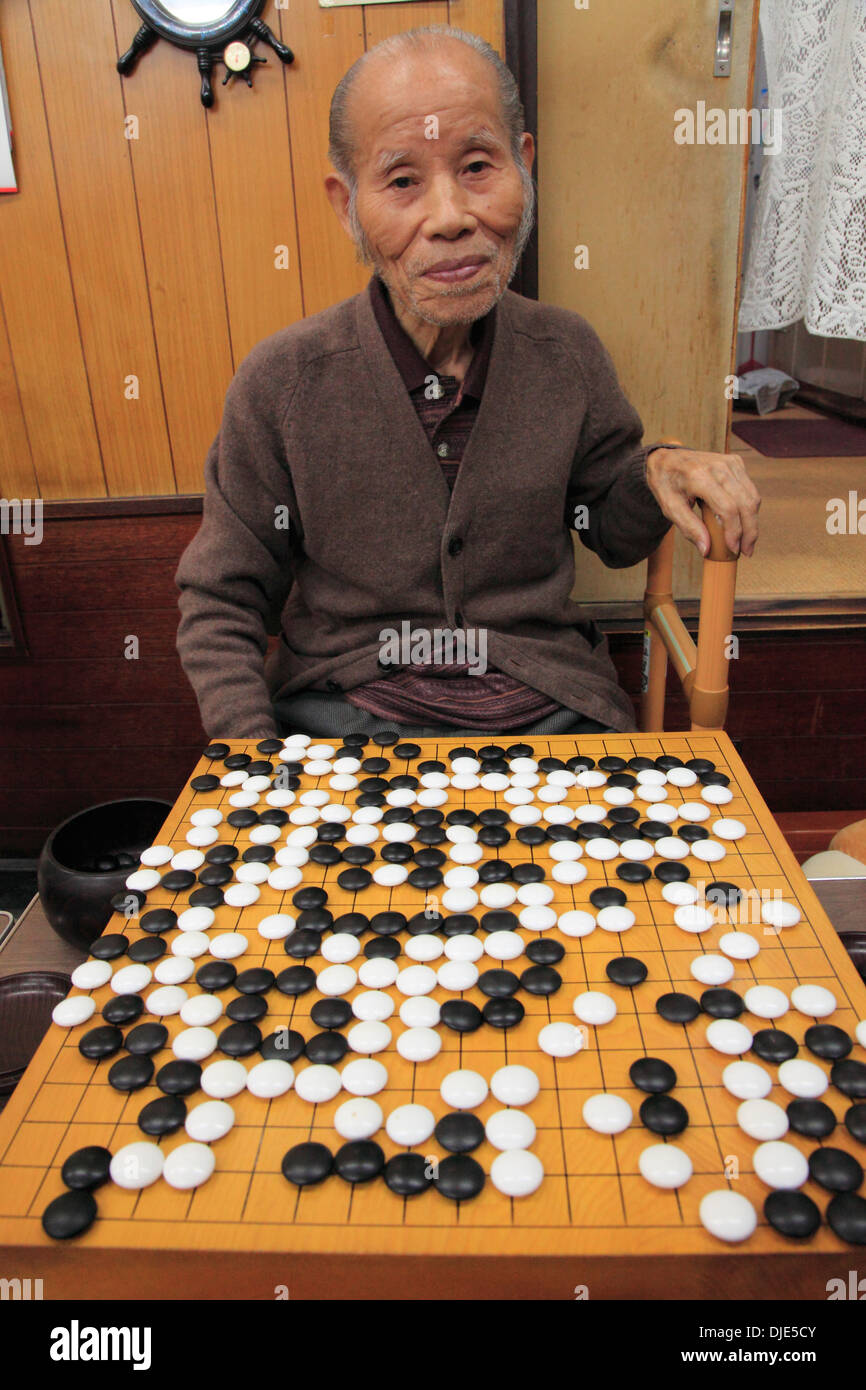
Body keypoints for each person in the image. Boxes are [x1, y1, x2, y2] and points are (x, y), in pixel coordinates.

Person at [175, 24, 760, 741]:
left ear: (525, 165)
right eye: (401, 181)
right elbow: (221, 599)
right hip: (344, 717)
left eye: (479, 166)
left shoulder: (565, 353)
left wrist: (658, 470)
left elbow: (612, 529)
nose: (450, 219)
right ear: (346, 203)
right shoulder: (283, 382)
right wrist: (253, 761)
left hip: (548, 709)